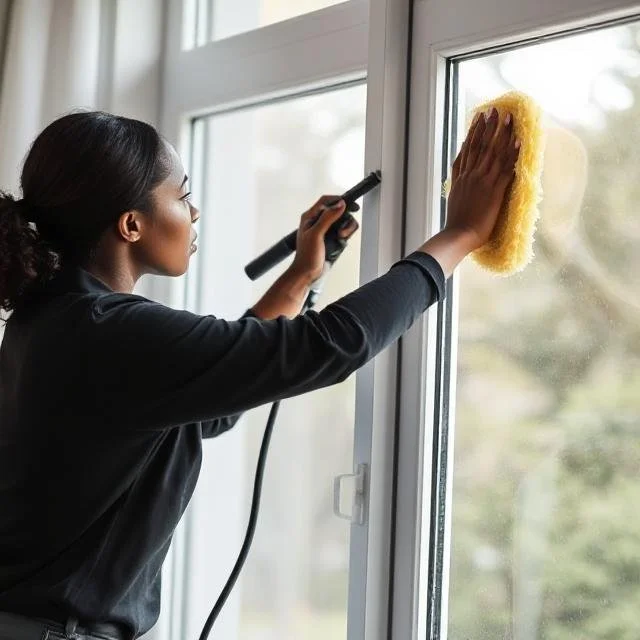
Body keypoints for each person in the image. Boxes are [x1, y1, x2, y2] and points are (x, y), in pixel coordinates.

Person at [0, 107, 517, 640]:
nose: (194, 212)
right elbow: (328, 347)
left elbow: (204, 411)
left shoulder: (53, 319)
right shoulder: (105, 332)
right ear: (131, 224)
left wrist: (301, 277)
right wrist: (460, 234)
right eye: (181, 195)